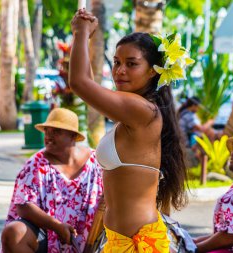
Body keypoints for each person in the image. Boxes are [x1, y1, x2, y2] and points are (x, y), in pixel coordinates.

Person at [69, 9, 190, 253]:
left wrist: (80, 32)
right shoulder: (133, 112)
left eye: (131, 64)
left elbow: (79, 83)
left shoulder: (143, 110)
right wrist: (85, 38)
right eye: (116, 62)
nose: (120, 70)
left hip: (139, 244)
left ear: (153, 70)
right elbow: (89, 87)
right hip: (119, 240)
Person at [0, 108, 103, 253]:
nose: (48, 136)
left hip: (92, 238)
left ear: (73, 136)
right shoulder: (36, 163)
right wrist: (56, 226)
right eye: (47, 131)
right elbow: (23, 205)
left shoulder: (96, 162)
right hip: (47, 235)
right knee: (14, 232)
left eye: (56, 132)